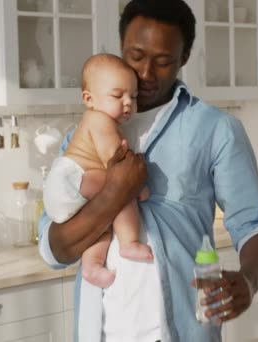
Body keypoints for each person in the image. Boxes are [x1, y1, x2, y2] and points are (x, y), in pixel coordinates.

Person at [38, 0, 258, 341]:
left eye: (163, 61)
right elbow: (54, 248)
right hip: (101, 331)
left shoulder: (215, 129)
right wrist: (114, 192)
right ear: (122, 47)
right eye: (136, 56)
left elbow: (256, 224)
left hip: (183, 331)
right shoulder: (82, 135)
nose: (147, 73)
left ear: (183, 58)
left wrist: (249, 279)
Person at [43, 53, 152, 289]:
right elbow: (115, 163)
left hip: (69, 189)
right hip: (73, 179)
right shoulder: (100, 121)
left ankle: (93, 264)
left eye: (133, 97)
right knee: (121, 192)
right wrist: (138, 187)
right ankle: (129, 243)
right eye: (117, 95)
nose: (127, 103)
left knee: (102, 223)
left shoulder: (97, 120)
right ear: (89, 99)